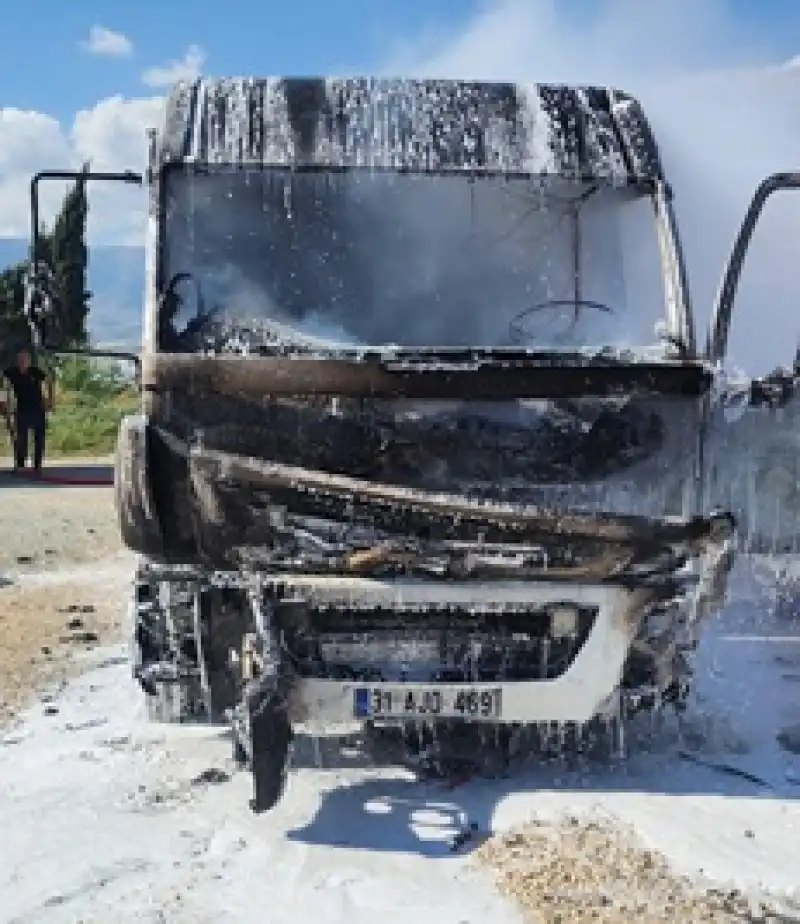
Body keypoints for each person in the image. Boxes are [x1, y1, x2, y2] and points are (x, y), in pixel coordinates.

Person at [3, 348, 52, 474]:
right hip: (22, 409)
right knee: (21, 438)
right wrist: (7, 409)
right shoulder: (11, 373)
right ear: (17, 361)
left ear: (29, 361)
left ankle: (37, 465)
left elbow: (49, 381)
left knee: (39, 438)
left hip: (37, 408)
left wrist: (49, 399)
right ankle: (20, 464)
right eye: (21, 359)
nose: (23, 362)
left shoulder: (35, 372)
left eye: (25, 360)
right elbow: (6, 388)